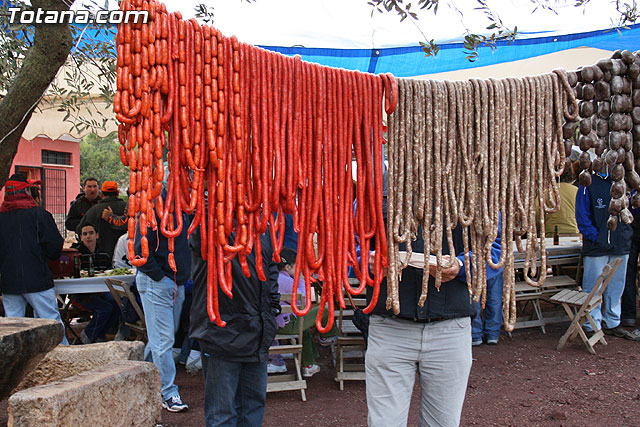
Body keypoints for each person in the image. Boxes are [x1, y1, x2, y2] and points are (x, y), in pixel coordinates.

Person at [365, 171, 502, 427]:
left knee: (443, 423)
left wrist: (462, 266)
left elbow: (496, 251)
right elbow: (345, 244)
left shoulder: (476, 186)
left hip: (450, 328)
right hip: (390, 327)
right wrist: (366, 260)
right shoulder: (378, 184)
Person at [190, 228, 280, 427]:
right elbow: (198, 240)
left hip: (258, 333)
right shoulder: (210, 223)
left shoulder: (263, 228)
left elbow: (271, 267)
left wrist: (272, 308)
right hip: (221, 335)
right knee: (222, 412)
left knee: (253, 406)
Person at [135, 204, 191, 413]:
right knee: (163, 340)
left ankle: (141, 378)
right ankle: (167, 392)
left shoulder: (183, 209)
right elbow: (141, 251)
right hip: (159, 281)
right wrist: (160, 277)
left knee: (162, 338)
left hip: (174, 282)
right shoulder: (154, 208)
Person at [0, 173, 68, 345]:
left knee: (13, 328)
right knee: (50, 322)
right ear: (26, 191)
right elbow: (54, 247)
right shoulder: (39, 215)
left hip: (9, 280)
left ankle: (18, 367)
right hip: (37, 278)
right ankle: (64, 357)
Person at [575, 170, 637, 340]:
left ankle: (612, 322)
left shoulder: (626, 182)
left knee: (616, 286)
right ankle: (591, 323)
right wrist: (596, 237)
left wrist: (627, 234)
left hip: (621, 243)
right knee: (593, 286)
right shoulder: (587, 183)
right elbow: (582, 216)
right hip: (597, 246)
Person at [268, 246, 337, 377]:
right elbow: (303, 302)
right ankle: (328, 336)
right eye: (296, 266)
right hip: (288, 324)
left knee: (304, 330)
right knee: (326, 309)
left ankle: (308, 365)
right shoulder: (287, 281)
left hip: (276, 324)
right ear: (288, 267)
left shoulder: (273, 277)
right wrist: (300, 280)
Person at [71, 223, 120, 344]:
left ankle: (99, 334)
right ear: (81, 237)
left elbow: (110, 273)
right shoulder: (76, 255)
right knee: (106, 308)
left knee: (118, 304)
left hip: (101, 292)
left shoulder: (104, 254)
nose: (88, 237)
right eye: (85, 234)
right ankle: (89, 334)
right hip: (81, 295)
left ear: (97, 235)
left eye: (91, 233)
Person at [77, 181, 127, 259]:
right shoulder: (127, 208)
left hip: (102, 255)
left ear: (102, 194)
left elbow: (80, 229)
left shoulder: (94, 210)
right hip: (125, 254)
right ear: (117, 193)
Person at [544, 161, 579, 237]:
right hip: (574, 232)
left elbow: (537, 214)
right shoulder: (576, 190)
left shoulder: (547, 192)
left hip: (552, 233)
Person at [471, 266, 504, 346]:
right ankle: (492, 334)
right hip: (494, 261)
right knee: (494, 298)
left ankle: (476, 334)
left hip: (475, 261)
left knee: (475, 297)